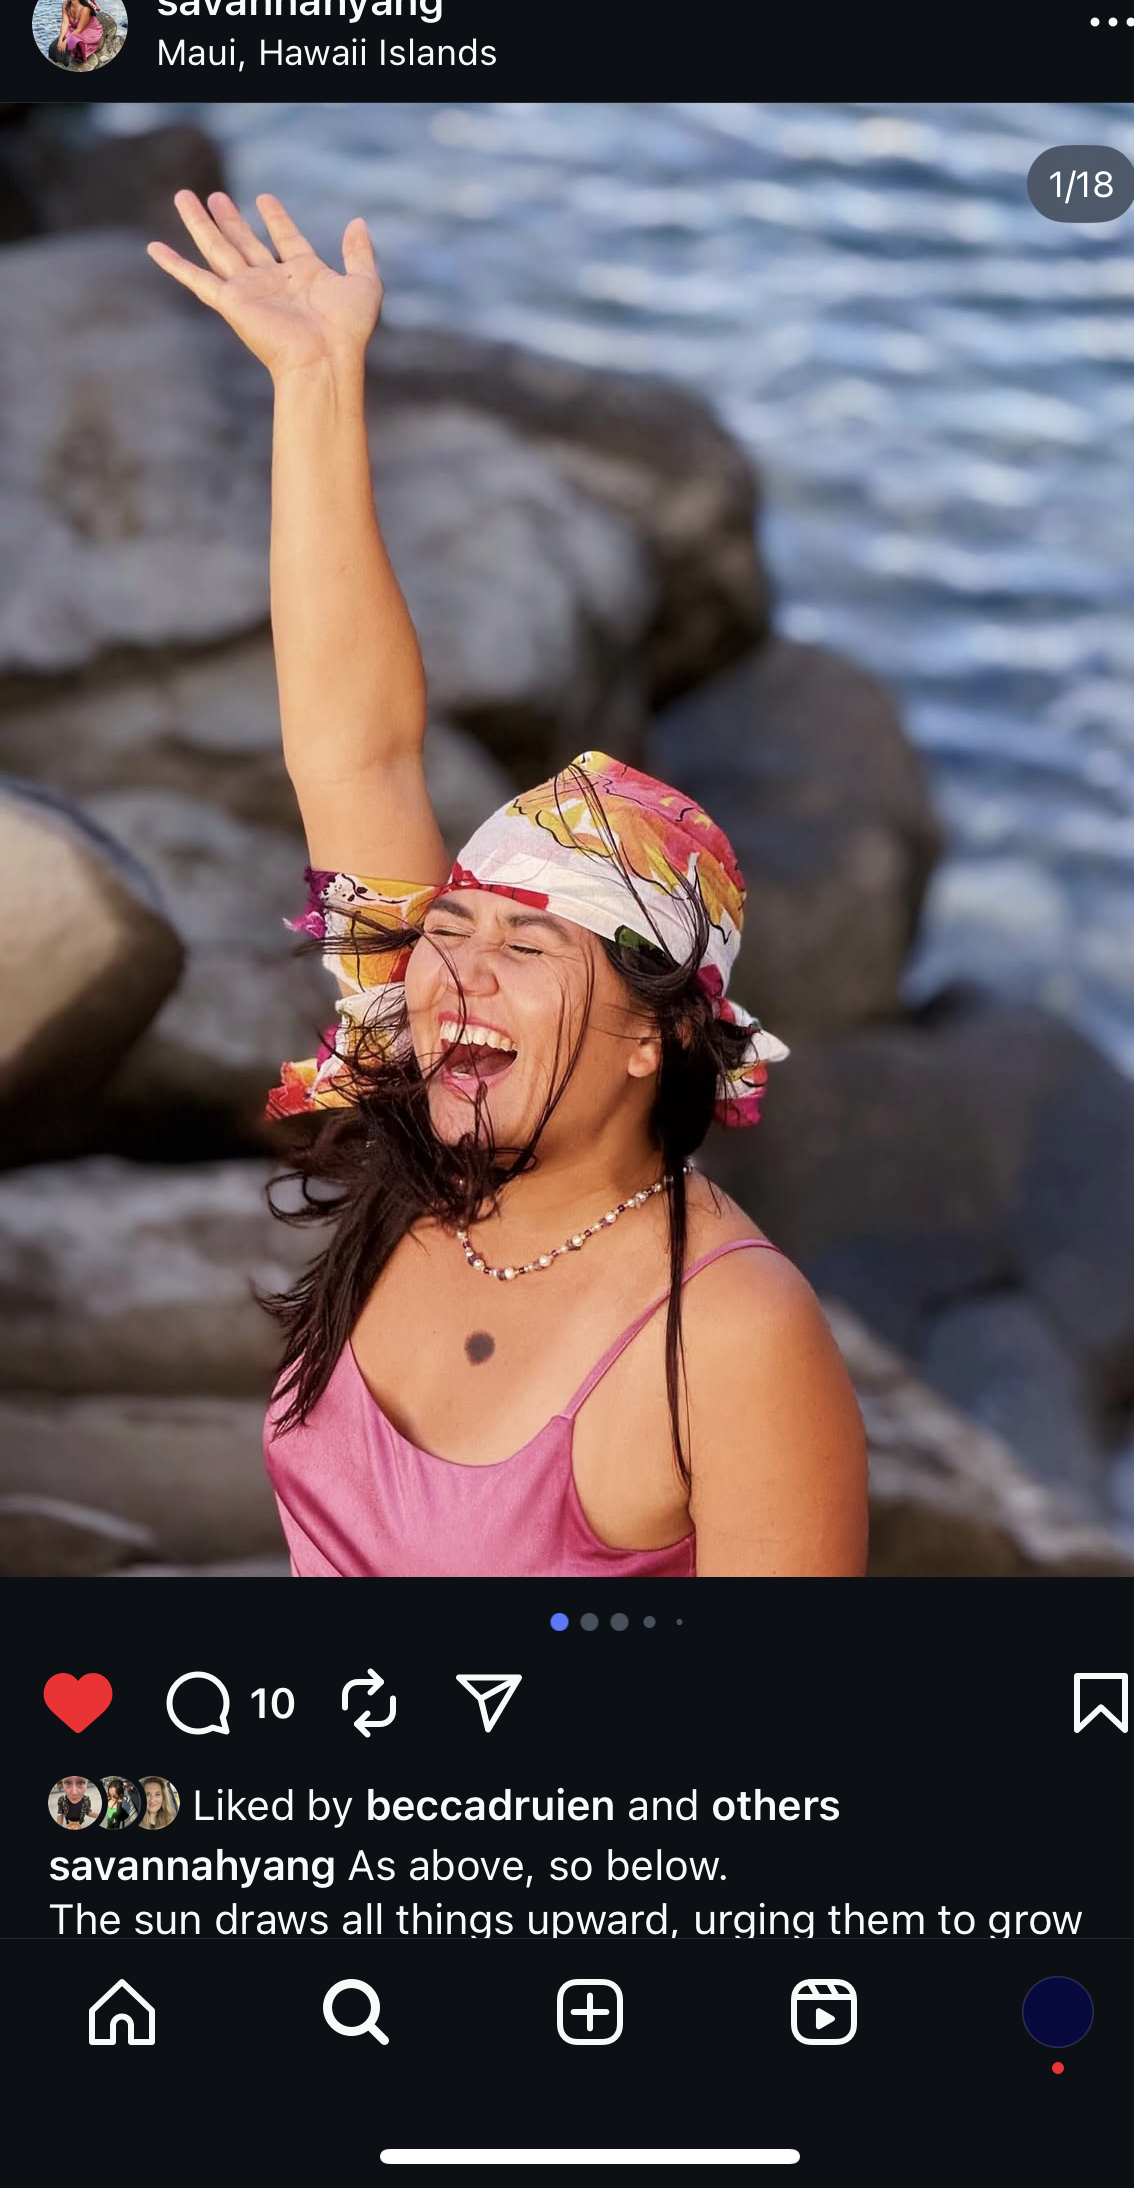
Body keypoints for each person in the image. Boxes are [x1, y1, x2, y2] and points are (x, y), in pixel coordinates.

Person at [147, 190, 869, 1581]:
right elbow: (357, 750)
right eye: (450, 927)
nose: (450, 969)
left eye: (528, 947)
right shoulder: (412, 1128)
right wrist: (312, 381)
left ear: (651, 1026)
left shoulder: (724, 1334)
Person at [46, 0, 104, 68]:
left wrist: (65, 42)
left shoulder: (85, 9)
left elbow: (80, 29)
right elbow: (65, 23)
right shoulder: (65, 4)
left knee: (74, 39)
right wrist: (60, 40)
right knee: (67, 36)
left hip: (90, 30)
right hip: (75, 28)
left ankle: (81, 55)